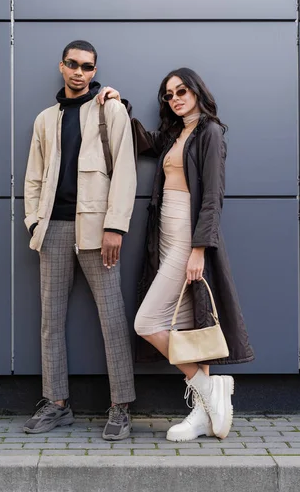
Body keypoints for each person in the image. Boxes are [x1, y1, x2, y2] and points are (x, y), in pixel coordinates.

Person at [98, 68, 254, 442]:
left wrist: (199, 248)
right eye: (168, 95)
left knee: (147, 322)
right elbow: (141, 141)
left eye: (181, 91)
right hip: (164, 235)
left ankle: (211, 387)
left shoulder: (210, 133)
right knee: (187, 326)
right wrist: (119, 105)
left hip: (187, 235)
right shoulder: (173, 134)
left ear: (197, 90)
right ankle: (203, 412)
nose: (175, 98)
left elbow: (213, 197)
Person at [24, 40, 137, 440]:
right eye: (72, 64)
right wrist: (33, 222)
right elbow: (34, 176)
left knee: (111, 317)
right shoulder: (45, 119)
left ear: (94, 71)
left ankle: (121, 406)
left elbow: (125, 170)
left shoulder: (111, 110)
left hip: (97, 229)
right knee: (50, 320)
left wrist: (115, 227)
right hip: (52, 228)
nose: (79, 72)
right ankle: (56, 402)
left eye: (87, 67)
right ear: (61, 66)